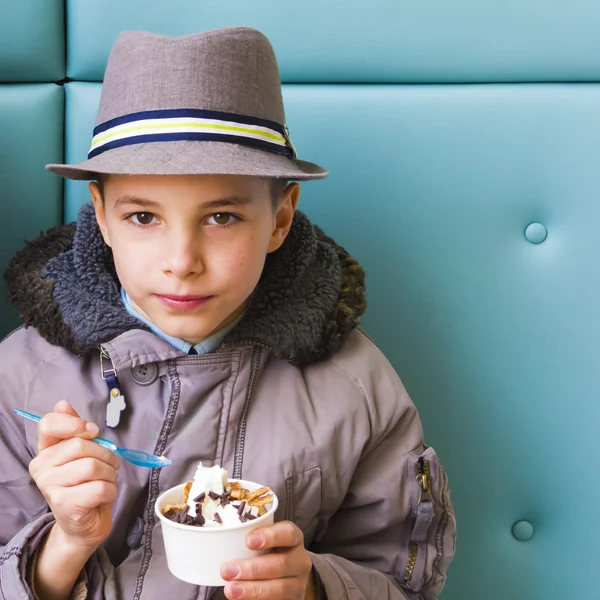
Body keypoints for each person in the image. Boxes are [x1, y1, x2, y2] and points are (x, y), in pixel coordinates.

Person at [0, 27, 455, 600]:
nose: (182, 262)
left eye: (221, 218)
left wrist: (313, 587)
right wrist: (63, 545)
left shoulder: (357, 390)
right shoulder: (20, 377)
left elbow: (405, 581)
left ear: (281, 218)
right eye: (144, 218)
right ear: (102, 217)